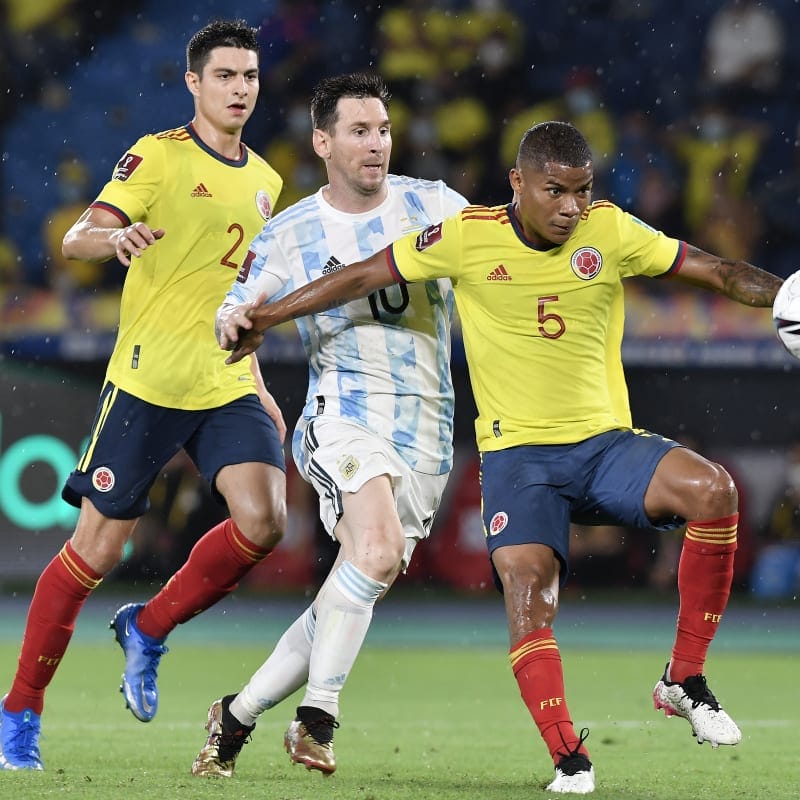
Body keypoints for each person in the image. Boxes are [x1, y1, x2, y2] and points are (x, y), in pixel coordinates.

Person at [222, 121, 785, 794]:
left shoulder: (609, 229)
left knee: (715, 491)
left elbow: (716, 270)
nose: (571, 208)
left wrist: (785, 296)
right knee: (529, 601)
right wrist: (268, 315)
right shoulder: (467, 236)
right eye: (556, 191)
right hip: (520, 462)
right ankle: (570, 759)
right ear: (518, 183)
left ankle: (685, 678)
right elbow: (365, 275)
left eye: (582, 191)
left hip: (604, 446)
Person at [0, 20, 288, 771]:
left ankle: (149, 627)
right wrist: (116, 240)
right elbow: (78, 239)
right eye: (224, 75)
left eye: (250, 76)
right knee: (94, 551)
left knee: (265, 519)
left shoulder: (267, 180)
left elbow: (237, 292)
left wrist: (257, 382)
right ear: (193, 83)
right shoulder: (157, 156)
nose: (240, 89)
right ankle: (20, 711)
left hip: (224, 380)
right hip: (149, 381)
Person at [190, 71, 468, 780]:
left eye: (382, 130)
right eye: (358, 131)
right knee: (371, 549)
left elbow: (498, 262)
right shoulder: (291, 233)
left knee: (353, 581)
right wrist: (233, 319)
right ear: (323, 141)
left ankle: (238, 714)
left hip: (428, 439)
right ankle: (318, 719)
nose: (376, 145)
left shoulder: (432, 204)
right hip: (340, 420)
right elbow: (238, 302)